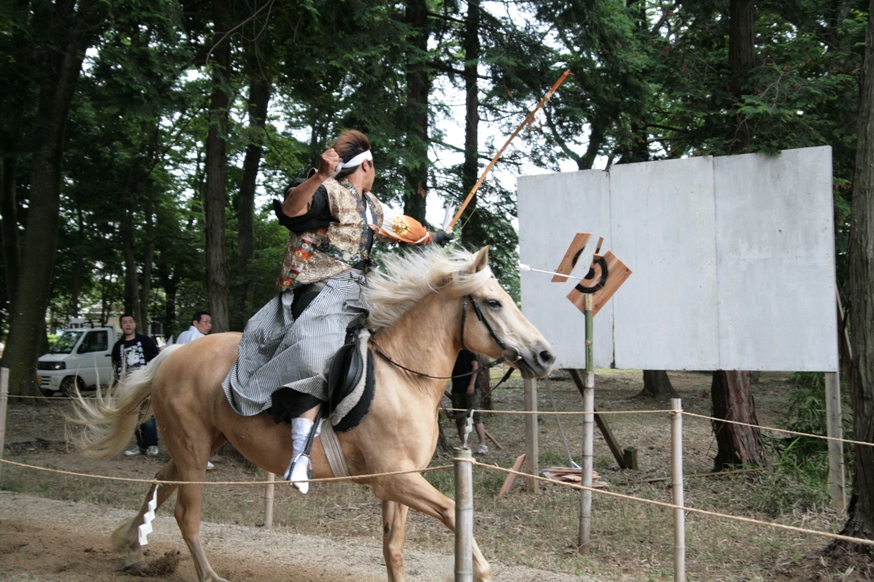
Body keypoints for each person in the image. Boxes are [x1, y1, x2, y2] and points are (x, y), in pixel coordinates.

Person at [221, 129, 448, 494]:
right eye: (374, 166)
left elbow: (406, 228)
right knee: (315, 358)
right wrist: (319, 176)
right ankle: (299, 454)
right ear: (367, 165)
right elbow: (292, 210)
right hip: (320, 292)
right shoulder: (327, 193)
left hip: (363, 296)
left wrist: (435, 237)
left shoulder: (373, 206)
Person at [112, 314, 161, 457]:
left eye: (130, 322)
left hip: (144, 382)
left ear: (135, 324)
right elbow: (116, 367)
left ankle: (152, 444)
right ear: (121, 325)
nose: (128, 324)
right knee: (133, 415)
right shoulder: (118, 346)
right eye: (125, 322)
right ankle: (141, 445)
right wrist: (117, 386)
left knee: (147, 414)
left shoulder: (145, 341)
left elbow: (156, 359)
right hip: (127, 385)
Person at [174, 310, 215, 470]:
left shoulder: (183, 336)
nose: (208, 325)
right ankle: (201, 458)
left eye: (210, 322)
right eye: (205, 321)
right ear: (195, 323)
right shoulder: (199, 339)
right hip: (194, 386)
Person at [451, 349, 488, 454]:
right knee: (459, 417)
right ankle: (464, 443)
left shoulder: (469, 350)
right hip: (457, 388)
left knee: (476, 416)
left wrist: (471, 385)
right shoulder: (452, 351)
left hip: (471, 388)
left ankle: (482, 444)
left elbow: (475, 366)